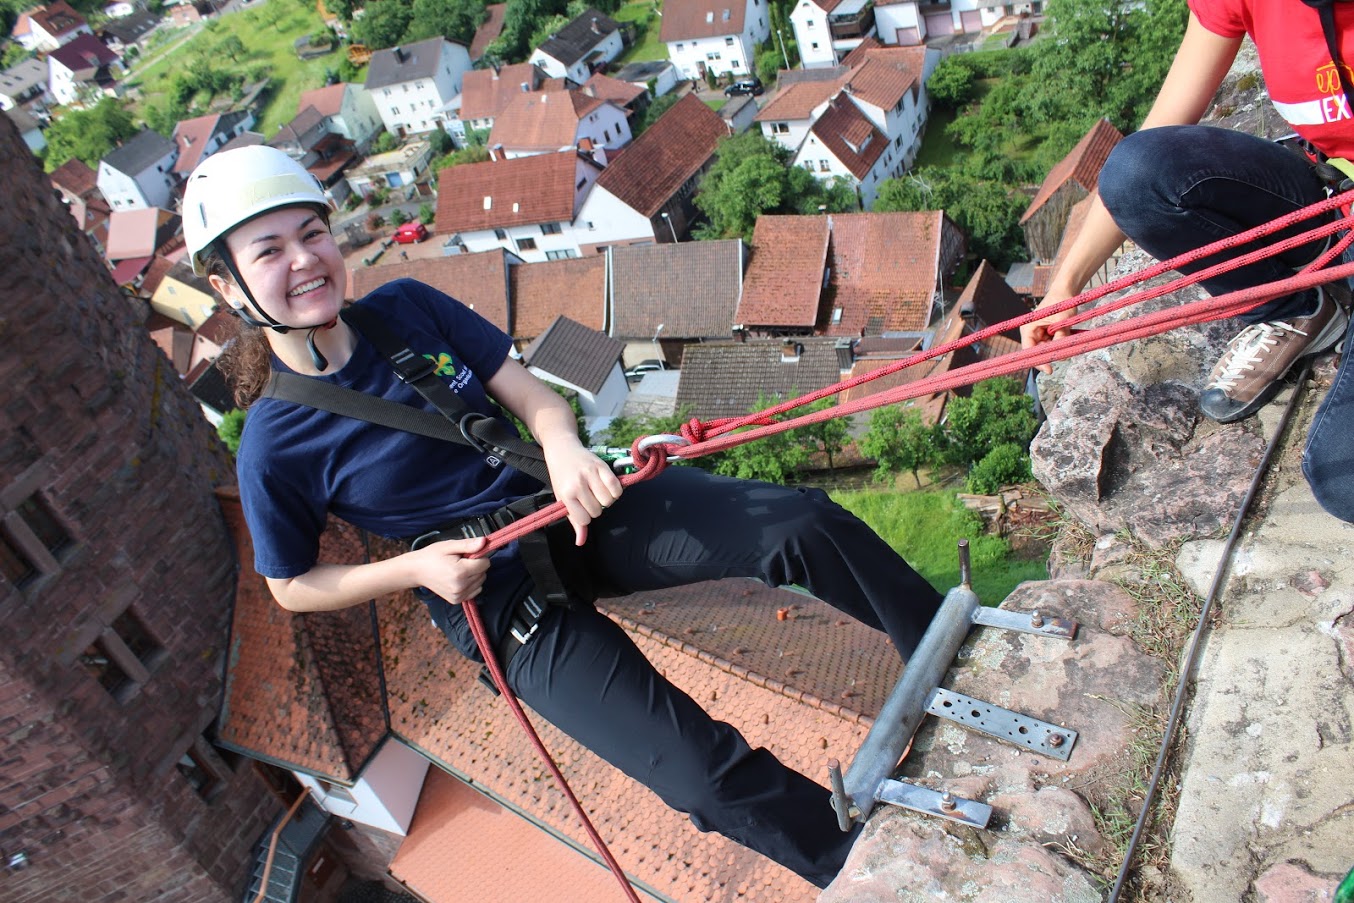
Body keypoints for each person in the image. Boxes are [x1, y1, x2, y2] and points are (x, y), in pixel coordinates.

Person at [183, 145, 944, 888]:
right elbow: (290, 584)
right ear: (227, 284)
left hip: (563, 498)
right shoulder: (274, 443)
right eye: (269, 250)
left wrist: (563, 447)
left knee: (799, 524)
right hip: (493, 592)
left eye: (312, 233)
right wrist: (414, 568)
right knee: (699, 776)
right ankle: (859, 864)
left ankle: (944, 654)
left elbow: (530, 395)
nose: (304, 260)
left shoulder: (405, 308)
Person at [1020, 0, 1354, 524]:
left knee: (1343, 479)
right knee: (1137, 172)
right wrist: (1066, 286)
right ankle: (1294, 308)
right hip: (1336, 201)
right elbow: (1153, 141)